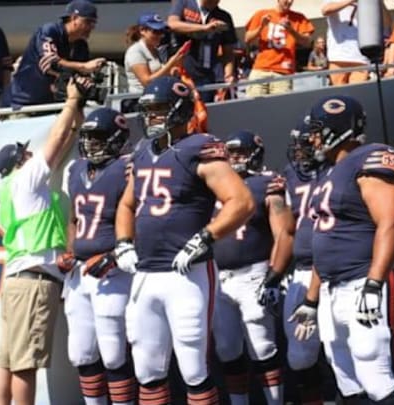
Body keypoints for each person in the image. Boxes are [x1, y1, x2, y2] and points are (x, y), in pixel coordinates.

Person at [113, 76, 255, 405]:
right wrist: (122, 242)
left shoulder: (199, 147)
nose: (151, 117)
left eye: (159, 109)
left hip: (186, 273)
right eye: (148, 110)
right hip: (146, 272)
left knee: (193, 368)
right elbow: (126, 204)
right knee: (147, 369)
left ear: (180, 110)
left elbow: (242, 202)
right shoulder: (143, 151)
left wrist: (205, 238)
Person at [289, 95, 394, 403]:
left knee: (375, 375)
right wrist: (311, 300)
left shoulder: (371, 157)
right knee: (346, 378)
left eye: (317, 129)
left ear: (338, 127)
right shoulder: (331, 171)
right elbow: (325, 239)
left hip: (362, 281)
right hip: (331, 287)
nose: (312, 137)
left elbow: (391, 223)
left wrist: (374, 283)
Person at [0, 80, 84, 405]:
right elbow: (57, 140)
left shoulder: (14, 186)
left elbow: (67, 140)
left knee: (6, 359)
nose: (31, 153)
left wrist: (78, 109)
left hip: (20, 280)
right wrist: (71, 100)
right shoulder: (27, 178)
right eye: (25, 153)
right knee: (25, 365)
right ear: (20, 161)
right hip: (34, 281)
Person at [59, 107, 137, 405]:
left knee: (114, 352)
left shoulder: (127, 168)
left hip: (113, 270)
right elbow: (74, 219)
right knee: (80, 351)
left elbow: (139, 218)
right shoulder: (76, 169)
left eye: (99, 137)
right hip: (79, 273)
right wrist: (69, 250)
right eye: (89, 137)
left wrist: (115, 255)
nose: (91, 143)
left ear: (118, 138)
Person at [211, 130, 295, 405]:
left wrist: (274, 275)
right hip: (220, 277)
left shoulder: (267, 184)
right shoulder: (213, 184)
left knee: (262, 345)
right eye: (230, 153)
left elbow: (284, 232)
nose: (234, 159)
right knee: (226, 348)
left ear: (255, 155)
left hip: (254, 273)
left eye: (240, 153)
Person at [282, 120, 327, 405]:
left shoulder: (339, 170)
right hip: (300, 272)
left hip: (338, 271)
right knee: (299, 356)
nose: (299, 151)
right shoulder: (288, 175)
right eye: (296, 145)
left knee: (351, 351)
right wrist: (276, 273)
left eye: (304, 145)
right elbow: (285, 230)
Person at [9, 0, 106, 110]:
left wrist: (87, 79)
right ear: (74, 18)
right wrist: (84, 67)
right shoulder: (50, 31)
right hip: (24, 104)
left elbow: (77, 75)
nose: (91, 27)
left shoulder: (81, 45)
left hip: (54, 105)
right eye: (88, 22)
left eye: (94, 23)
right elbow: (49, 64)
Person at [167, 0, 238, 103]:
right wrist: (204, 28)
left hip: (206, 76)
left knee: (204, 113)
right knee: (182, 112)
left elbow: (228, 52)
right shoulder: (184, 3)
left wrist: (229, 74)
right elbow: (172, 24)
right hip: (182, 74)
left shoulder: (223, 17)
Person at [244, 0, 314, 97]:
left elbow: (307, 42)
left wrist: (291, 30)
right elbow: (247, 38)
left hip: (283, 72)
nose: (289, 2)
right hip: (260, 69)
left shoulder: (299, 18)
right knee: (253, 107)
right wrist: (261, 26)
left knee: (280, 109)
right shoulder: (262, 14)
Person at [124, 12, 187, 94]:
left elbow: (161, 74)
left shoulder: (156, 50)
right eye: (156, 32)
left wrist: (174, 69)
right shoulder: (135, 51)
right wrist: (171, 63)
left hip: (159, 98)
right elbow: (147, 82)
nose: (161, 36)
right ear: (142, 30)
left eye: (162, 31)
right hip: (141, 100)